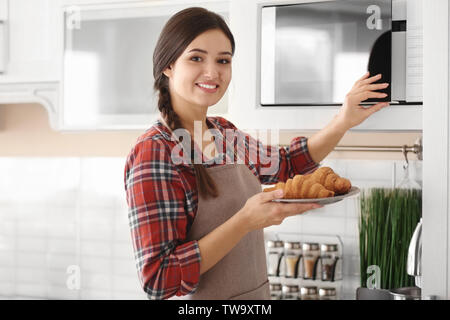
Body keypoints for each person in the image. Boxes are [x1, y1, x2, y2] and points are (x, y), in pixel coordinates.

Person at [124, 7, 390, 300]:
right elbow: (159, 279)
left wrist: (345, 119)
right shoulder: (155, 152)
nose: (212, 72)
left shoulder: (224, 134)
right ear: (168, 66)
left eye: (223, 60)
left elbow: (288, 165)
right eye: (196, 58)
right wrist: (245, 221)